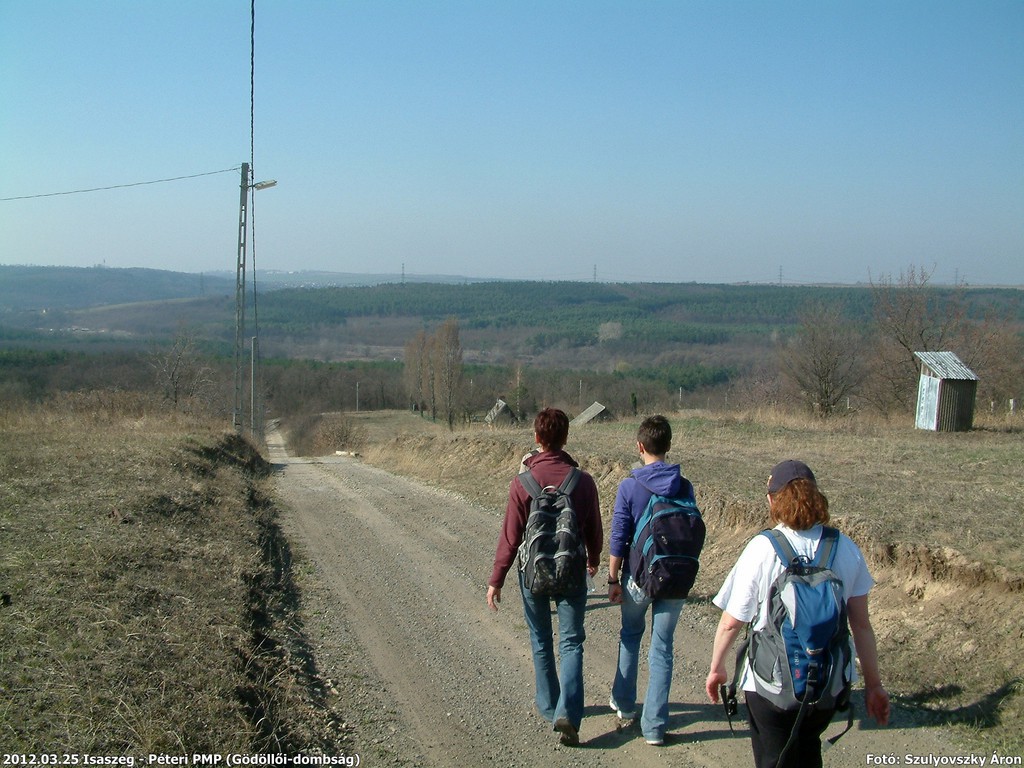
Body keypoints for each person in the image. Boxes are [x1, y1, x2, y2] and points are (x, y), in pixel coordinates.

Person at [705, 459, 890, 768]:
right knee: (807, 750)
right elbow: (861, 626)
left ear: (772, 499)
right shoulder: (844, 547)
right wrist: (874, 685)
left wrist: (717, 668)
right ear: (815, 495)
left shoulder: (762, 549)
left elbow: (731, 622)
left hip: (770, 687)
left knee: (773, 757)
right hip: (826, 687)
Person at [487, 407, 603, 747]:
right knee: (571, 641)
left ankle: (550, 706)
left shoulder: (521, 483)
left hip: (532, 573)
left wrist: (496, 579)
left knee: (540, 641)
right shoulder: (582, 482)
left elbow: (510, 537)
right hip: (571, 572)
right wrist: (593, 559)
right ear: (565, 438)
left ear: (537, 439)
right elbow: (594, 529)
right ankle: (569, 711)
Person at [607, 414, 693, 746]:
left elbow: (619, 537)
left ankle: (625, 705)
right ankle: (655, 727)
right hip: (674, 576)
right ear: (668, 446)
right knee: (663, 648)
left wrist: (613, 578)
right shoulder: (685, 485)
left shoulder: (630, 485)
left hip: (638, 578)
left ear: (640, 446)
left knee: (630, 635)